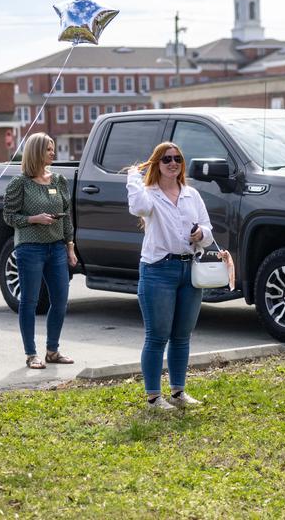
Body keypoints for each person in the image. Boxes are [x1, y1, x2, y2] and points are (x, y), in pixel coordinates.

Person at [126, 142, 213, 411]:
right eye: (166, 159)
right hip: (158, 270)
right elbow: (137, 207)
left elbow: (208, 230)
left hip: (189, 270)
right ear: (156, 164)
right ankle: (154, 397)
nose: (173, 163)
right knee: (157, 335)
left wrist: (201, 235)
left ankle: (178, 392)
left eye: (177, 158)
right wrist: (133, 176)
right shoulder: (148, 194)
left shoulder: (192, 195)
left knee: (182, 335)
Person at [3, 133, 78, 369]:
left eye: (53, 148)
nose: (53, 153)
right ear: (36, 152)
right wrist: (33, 219)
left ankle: (53, 351)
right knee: (30, 301)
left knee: (60, 301)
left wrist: (70, 246)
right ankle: (31, 353)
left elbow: (66, 217)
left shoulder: (58, 180)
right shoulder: (20, 183)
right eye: (48, 149)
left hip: (56, 248)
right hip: (30, 249)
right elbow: (9, 216)